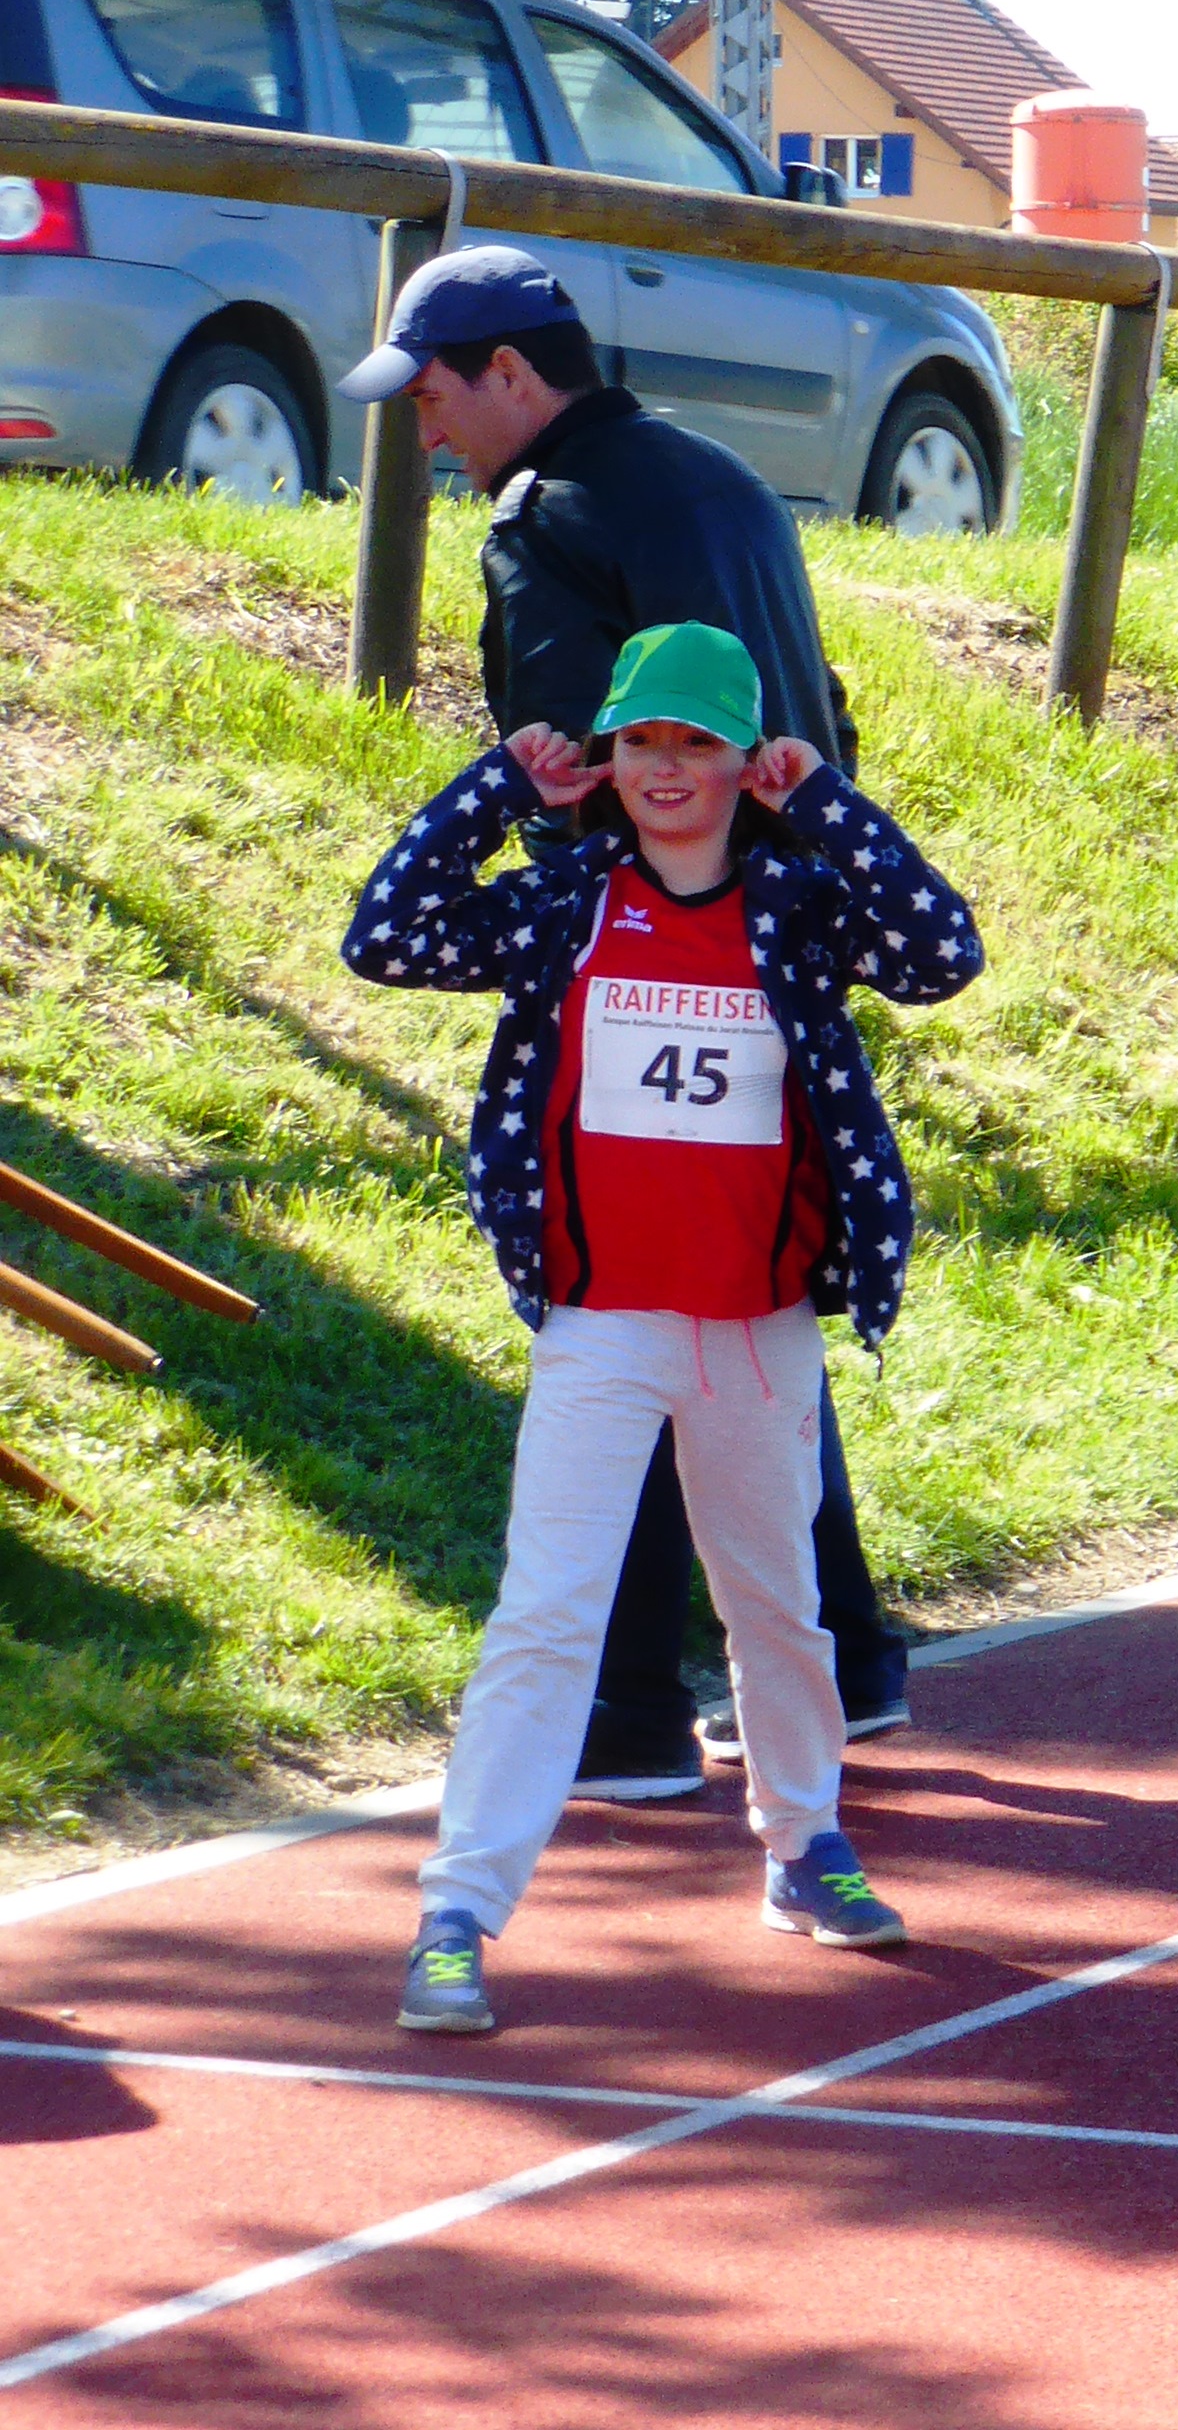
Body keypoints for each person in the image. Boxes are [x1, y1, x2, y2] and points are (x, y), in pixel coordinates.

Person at [358, 622, 986, 2035]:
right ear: (607, 752)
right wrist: (496, 792)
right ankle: (457, 1912)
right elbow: (384, 936)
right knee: (544, 1615)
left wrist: (822, 801)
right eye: (640, 739)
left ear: (744, 759)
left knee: (777, 1605)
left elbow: (942, 951)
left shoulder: (800, 904)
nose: (664, 767)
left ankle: (805, 1845)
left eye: (697, 742)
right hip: (602, 1327)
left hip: (759, 1328)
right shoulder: (563, 901)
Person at [337, 244, 900, 1799]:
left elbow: (572, 759)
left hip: (642, 955)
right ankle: (845, 1660)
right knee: (743, 1282)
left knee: (635, 1296)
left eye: (434, 396)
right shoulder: (723, 478)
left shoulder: (548, 517)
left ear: (514, 374)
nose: (426, 431)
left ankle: (631, 1710)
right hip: (776, 932)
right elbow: (815, 705)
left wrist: (582, 927)